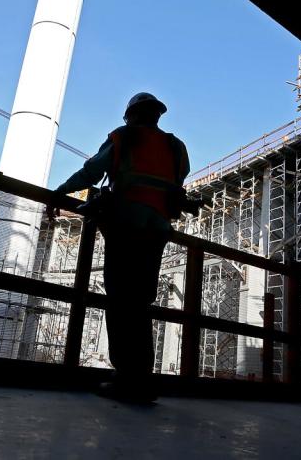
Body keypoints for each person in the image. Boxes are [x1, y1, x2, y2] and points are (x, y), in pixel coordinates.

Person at [49, 93, 190, 403]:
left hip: (126, 224)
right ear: (157, 116)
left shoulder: (125, 137)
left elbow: (92, 171)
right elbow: (178, 182)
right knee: (141, 302)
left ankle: (126, 379)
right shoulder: (174, 146)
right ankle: (142, 379)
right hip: (157, 230)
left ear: (131, 116)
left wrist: (60, 192)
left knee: (120, 300)